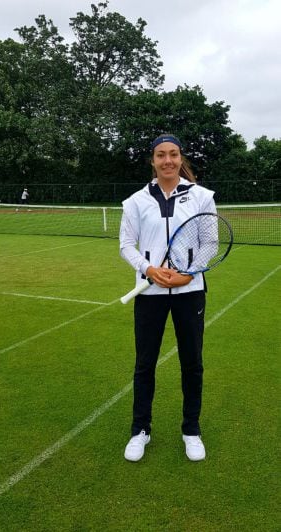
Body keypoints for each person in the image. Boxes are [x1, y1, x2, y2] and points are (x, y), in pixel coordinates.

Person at [119, 133, 216, 462]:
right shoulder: (135, 201)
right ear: (153, 160)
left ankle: (191, 430)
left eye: (173, 154)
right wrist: (149, 270)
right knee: (145, 364)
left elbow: (209, 243)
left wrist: (190, 272)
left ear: (180, 158)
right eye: (161, 155)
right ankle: (140, 430)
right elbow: (125, 246)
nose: (168, 161)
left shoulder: (202, 197)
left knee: (192, 364)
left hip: (190, 292)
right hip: (151, 294)